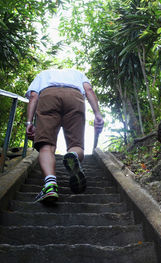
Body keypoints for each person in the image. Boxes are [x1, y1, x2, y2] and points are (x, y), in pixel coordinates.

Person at [25, 68, 104, 203]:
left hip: (48, 96)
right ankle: (73, 156)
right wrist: (98, 114)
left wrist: (29, 122)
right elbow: (89, 90)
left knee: (46, 146)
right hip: (75, 97)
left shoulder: (43, 75)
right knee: (76, 145)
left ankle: (50, 185)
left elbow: (33, 96)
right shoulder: (78, 74)